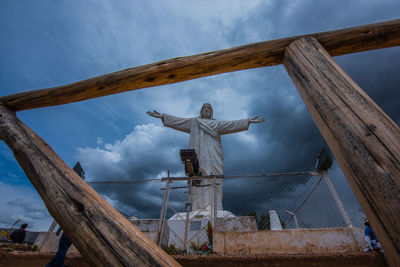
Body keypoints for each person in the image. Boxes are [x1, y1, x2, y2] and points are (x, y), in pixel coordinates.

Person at [147, 103, 265, 211]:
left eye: (209, 108)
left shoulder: (216, 124)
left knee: (214, 177)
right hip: (200, 155)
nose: (207, 109)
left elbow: (230, 125)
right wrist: (163, 117)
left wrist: (247, 121)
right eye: (205, 108)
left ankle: (215, 207)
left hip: (213, 155)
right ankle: (198, 207)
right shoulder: (194, 122)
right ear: (201, 111)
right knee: (199, 177)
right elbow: (179, 121)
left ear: (211, 111)